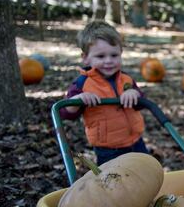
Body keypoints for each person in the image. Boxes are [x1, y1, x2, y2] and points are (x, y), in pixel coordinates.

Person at [60, 20, 150, 166]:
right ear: (85, 58)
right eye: (101, 57)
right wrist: (79, 99)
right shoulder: (82, 84)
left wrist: (134, 93)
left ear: (121, 53)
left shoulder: (126, 79)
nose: (108, 61)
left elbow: (141, 101)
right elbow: (66, 113)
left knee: (146, 173)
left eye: (114, 55)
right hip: (108, 149)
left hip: (136, 141)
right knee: (114, 181)